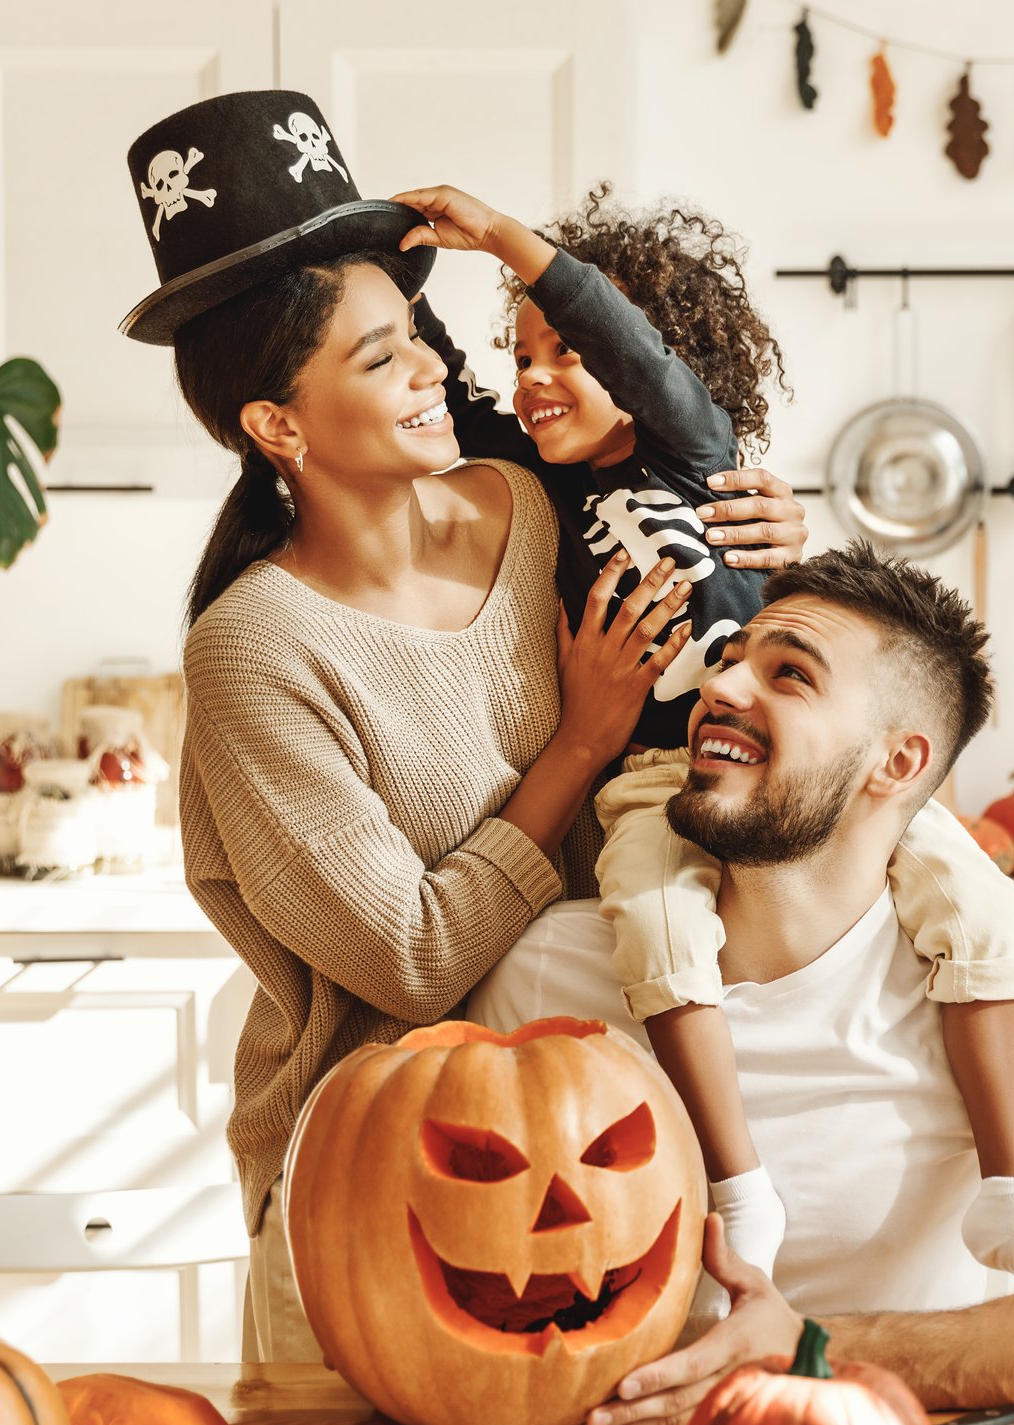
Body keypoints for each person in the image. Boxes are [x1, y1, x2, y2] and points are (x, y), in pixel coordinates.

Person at [113, 90, 806, 1359]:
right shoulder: (255, 650)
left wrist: (771, 540)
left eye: (417, 335)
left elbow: (664, 466)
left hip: (611, 1166)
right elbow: (414, 958)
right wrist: (575, 748)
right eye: (379, 360)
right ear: (276, 424)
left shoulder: (531, 502)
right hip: (387, 1203)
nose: (438, 371)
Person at [396, 182, 1014, 1295]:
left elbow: (628, 347)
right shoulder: (530, 487)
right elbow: (443, 389)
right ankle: (738, 1187)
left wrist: (509, 244)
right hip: (655, 783)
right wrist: (394, 272)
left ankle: (1011, 1190)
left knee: (978, 903)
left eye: (564, 349)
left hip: (804, 771)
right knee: (655, 927)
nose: (534, 377)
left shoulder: (693, 453)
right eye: (522, 355)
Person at [469, 541, 1014, 1425]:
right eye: (730, 659)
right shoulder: (548, 974)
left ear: (898, 764)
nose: (723, 688)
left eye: (789, 675)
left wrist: (811, 1349)